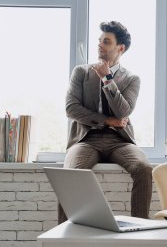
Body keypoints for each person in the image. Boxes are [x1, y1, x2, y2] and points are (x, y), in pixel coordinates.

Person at [59, 21, 152, 224]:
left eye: (106, 42)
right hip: (86, 139)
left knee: (144, 168)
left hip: (119, 141)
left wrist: (107, 79)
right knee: (70, 174)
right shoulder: (81, 72)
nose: (100, 45)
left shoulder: (132, 79)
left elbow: (124, 110)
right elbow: (71, 108)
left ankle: (141, 229)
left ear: (120, 48)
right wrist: (108, 120)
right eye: (99, 41)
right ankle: (64, 237)